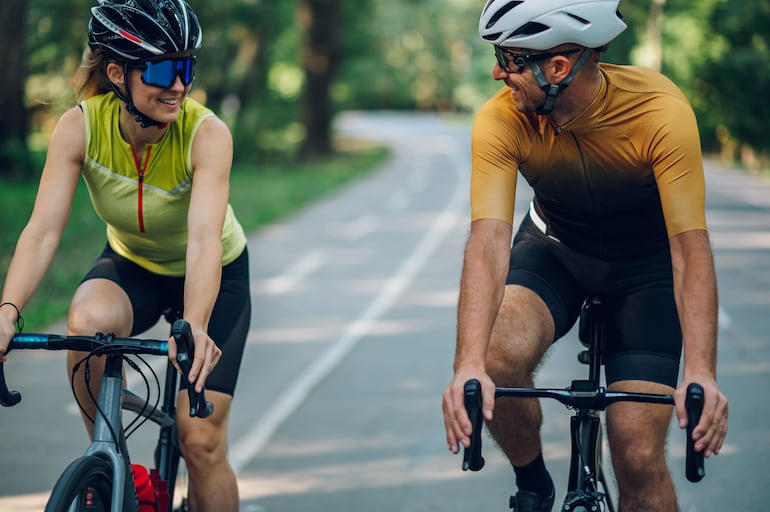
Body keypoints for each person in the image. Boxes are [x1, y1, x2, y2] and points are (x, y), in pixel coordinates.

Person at [441, 0, 729, 510]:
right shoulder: (501, 120)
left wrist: (701, 372)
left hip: (646, 269)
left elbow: (689, 248)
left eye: (509, 59)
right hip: (556, 250)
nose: (496, 72)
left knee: (638, 456)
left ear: (557, 66)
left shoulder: (659, 111)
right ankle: (533, 483)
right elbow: (486, 241)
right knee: (495, 356)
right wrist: (468, 365)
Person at [0, 1, 250, 510]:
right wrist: (7, 312)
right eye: (161, 69)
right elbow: (43, 231)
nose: (178, 85)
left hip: (213, 275)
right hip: (132, 263)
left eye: (185, 67)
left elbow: (203, 239)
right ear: (117, 73)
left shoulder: (206, 134)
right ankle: (114, 463)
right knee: (86, 319)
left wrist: (195, 327)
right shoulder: (79, 128)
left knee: (199, 440)